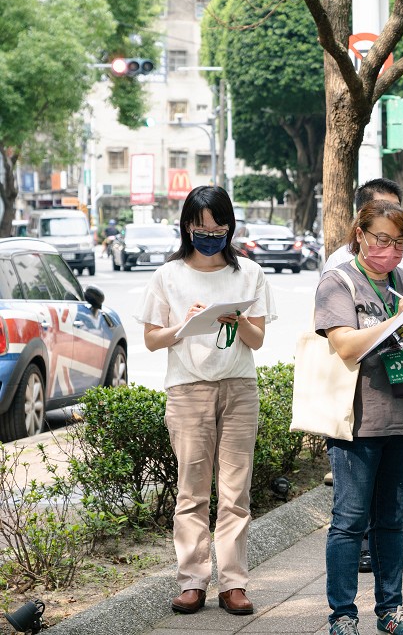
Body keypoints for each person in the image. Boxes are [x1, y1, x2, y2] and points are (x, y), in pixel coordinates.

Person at [139, 186, 276, 617]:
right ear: (187, 227)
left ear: (230, 227)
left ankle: (233, 584)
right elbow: (150, 340)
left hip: (238, 387)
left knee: (236, 493)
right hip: (187, 389)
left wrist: (237, 320)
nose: (211, 235)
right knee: (191, 491)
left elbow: (257, 338)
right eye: (201, 228)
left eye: (219, 228)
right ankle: (192, 582)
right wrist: (184, 324)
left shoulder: (248, 273)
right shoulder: (169, 275)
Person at [315, 200, 403, 635]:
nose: (391, 250)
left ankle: (391, 611)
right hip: (358, 420)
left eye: (400, 242)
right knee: (349, 520)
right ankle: (343, 616)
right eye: (382, 239)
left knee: (392, 520)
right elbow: (346, 346)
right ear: (361, 234)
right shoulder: (339, 282)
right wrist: (396, 321)